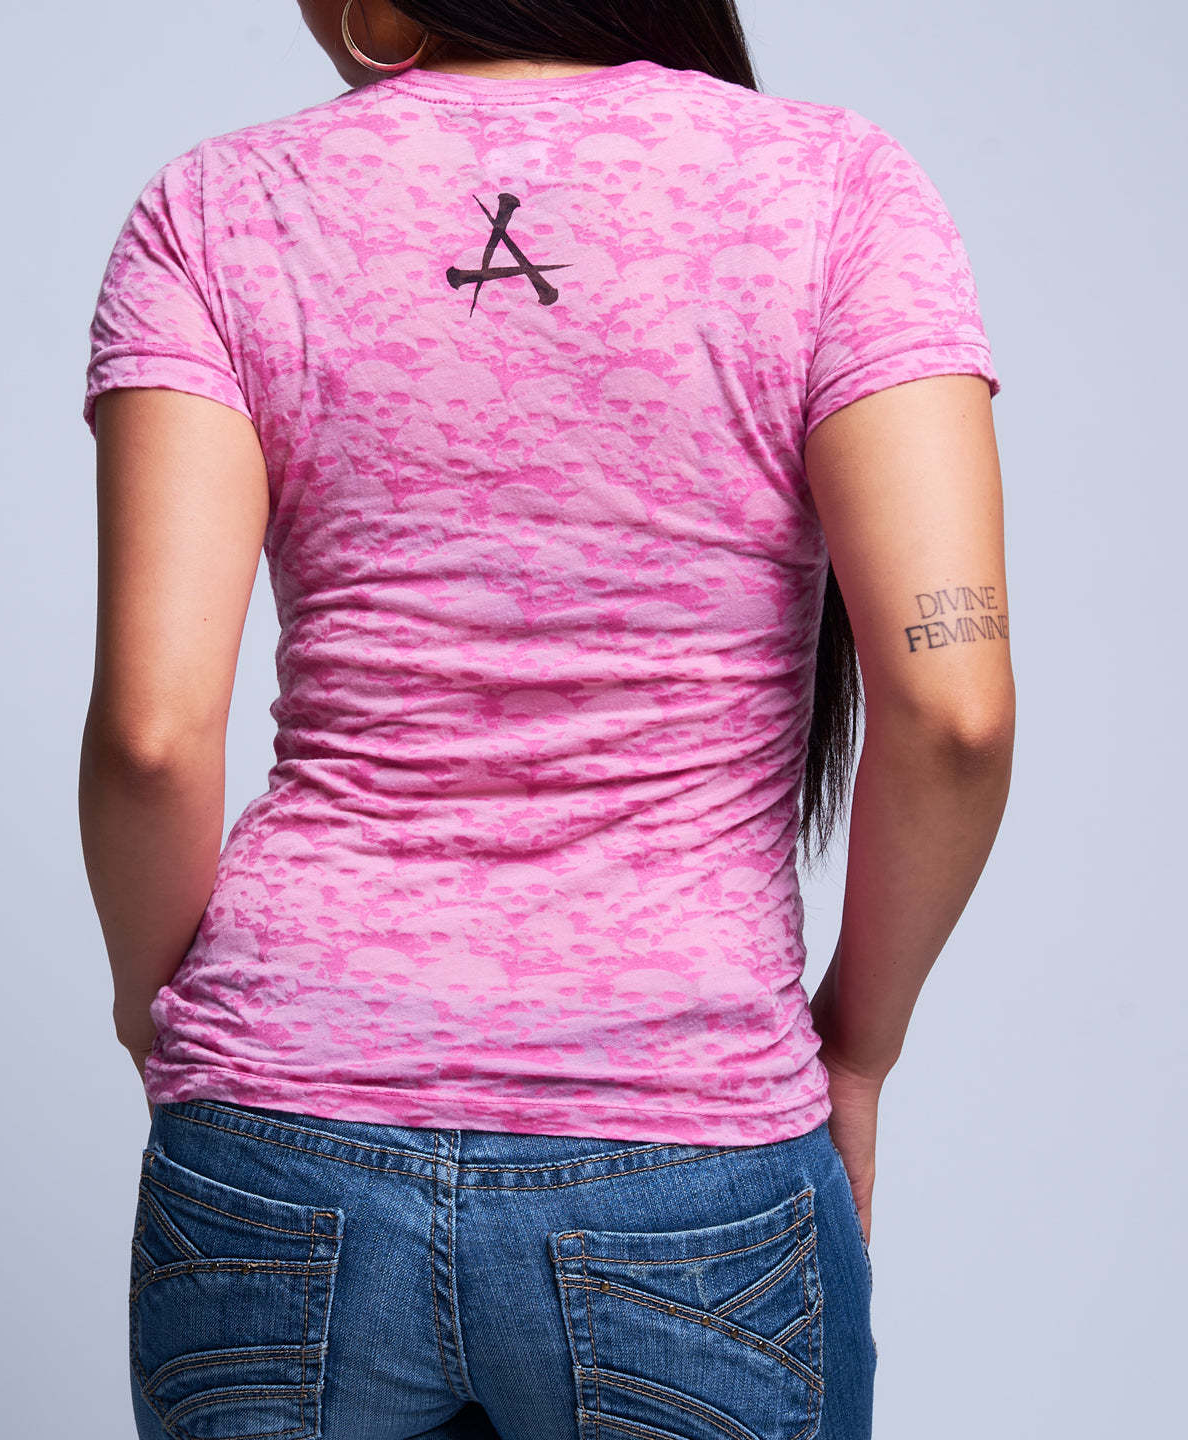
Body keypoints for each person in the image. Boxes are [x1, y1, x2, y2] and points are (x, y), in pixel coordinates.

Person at [78, 3, 1014, 1437]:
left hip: (281, 1142)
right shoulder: (835, 190)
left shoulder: (213, 211)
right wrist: (859, 1049)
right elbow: (954, 709)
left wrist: (180, 1037)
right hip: (686, 1158)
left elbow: (152, 735)